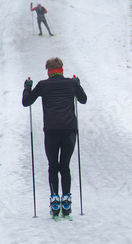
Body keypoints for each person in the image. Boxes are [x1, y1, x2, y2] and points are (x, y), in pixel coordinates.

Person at [22, 57, 87, 217]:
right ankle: (66, 201)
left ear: (49, 71)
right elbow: (83, 100)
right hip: (69, 131)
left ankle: (54, 200)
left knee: (53, 165)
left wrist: (27, 88)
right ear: (61, 69)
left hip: (51, 131)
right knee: (65, 166)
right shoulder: (71, 84)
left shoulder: (43, 85)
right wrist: (77, 85)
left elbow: (26, 102)